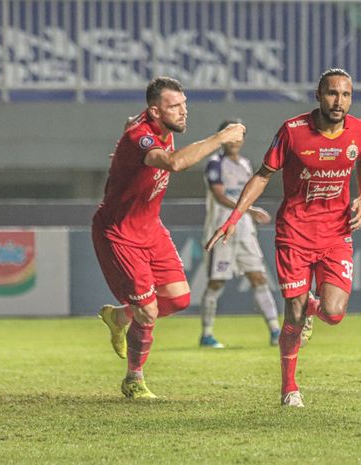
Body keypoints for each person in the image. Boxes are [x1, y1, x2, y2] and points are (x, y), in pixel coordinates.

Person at [206, 68, 361, 407]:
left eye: (345, 95)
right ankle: (289, 389)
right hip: (294, 234)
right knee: (293, 315)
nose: (338, 101)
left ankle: (314, 305)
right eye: (331, 93)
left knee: (334, 313)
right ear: (318, 94)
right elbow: (263, 176)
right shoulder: (293, 131)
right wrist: (234, 217)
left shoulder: (360, 130)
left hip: (336, 234)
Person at [92, 76, 246, 399]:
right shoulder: (142, 137)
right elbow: (174, 163)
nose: (183, 111)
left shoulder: (152, 126)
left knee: (179, 298)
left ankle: (119, 317)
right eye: (174, 106)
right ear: (155, 111)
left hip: (150, 227)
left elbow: (127, 125)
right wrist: (221, 137)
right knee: (148, 312)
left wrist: (121, 158)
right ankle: (134, 379)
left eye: (184, 104)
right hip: (119, 232)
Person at [199, 118, 281, 349]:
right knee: (216, 282)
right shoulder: (214, 164)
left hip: (245, 232)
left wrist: (249, 212)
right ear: (222, 138)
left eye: (239, 136)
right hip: (221, 229)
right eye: (231, 135)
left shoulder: (246, 164)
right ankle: (206, 334)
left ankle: (276, 331)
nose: (235, 140)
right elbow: (219, 196)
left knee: (259, 277)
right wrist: (251, 209)